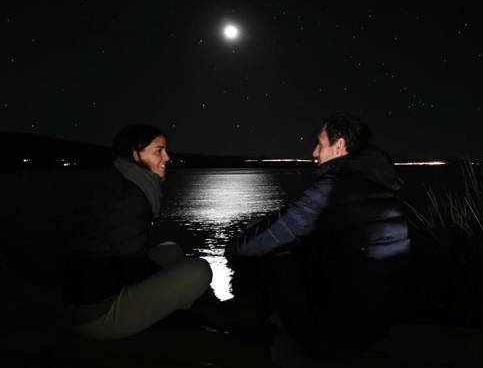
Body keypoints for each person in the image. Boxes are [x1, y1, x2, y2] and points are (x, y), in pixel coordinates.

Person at [226, 113, 410, 361]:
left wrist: (233, 247)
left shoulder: (334, 188)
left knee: (268, 256)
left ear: (339, 145)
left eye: (320, 144)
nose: (314, 152)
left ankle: (249, 331)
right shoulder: (380, 186)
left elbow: (263, 239)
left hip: (340, 330)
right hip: (380, 318)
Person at [63, 124, 213, 339]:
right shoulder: (128, 198)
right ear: (135, 155)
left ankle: (186, 305)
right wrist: (165, 277)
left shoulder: (122, 181)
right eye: (158, 151)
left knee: (170, 250)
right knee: (199, 270)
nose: (167, 157)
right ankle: (191, 314)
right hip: (98, 313)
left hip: (97, 286)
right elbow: (130, 267)